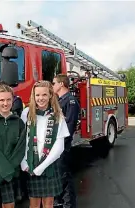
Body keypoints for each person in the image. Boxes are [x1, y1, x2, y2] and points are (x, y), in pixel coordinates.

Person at [20, 81, 70, 208]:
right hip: (31, 163)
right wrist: (24, 162)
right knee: (34, 204)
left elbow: (59, 147)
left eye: (44, 95)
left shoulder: (57, 115)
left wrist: (42, 167)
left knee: (48, 204)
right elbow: (23, 140)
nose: (40, 98)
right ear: (33, 96)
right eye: (37, 95)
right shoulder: (26, 113)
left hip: (49, 166)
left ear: (50, 96)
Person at [53, 74, 80, 208]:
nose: (53, 86)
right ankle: (60, 201)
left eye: (54, 83)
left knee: (64, 175)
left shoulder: (70, 101)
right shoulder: (61, 100)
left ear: (61, 84)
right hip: (58, 145)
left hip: (63, 145)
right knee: (59, 174)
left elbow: (68, 127)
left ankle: (69, 204)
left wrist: (60, 145)